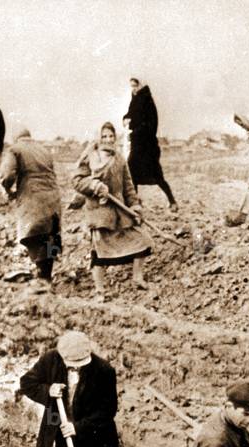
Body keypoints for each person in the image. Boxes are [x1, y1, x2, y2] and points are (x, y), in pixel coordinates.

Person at [18, 331, 122, 447]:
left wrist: (78, 427)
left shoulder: (104, 370)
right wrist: (48, 390)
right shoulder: (51, 360)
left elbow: (108, 410)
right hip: (60, 431)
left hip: (94, 437)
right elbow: (27, 383)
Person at [72, 122, 152, 298]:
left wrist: (135, 205)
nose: (108, 139)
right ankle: (100, 289)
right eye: (104, 136)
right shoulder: (89, 157)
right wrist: (94, 185)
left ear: (115, 138)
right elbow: (77, 181)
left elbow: (128, 186)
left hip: (120, 212)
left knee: (142, 240)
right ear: (99, 138)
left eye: (111, 136)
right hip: (99, 212)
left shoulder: (119, 159)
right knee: (99, 253)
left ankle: (137, 278)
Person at [0, 129, 62, 286]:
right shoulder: (44, 149)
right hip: (53, 198)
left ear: (15, 138)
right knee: (50, 236)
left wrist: (7, 190)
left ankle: (41, 276)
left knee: (32, 235)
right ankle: (46, 276)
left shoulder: (15, 150)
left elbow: (7, 175)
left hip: (33, 198)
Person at [123, 77, 177, 210]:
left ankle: (172, 202)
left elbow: (151, 125)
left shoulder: (147, 101)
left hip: (148, 147)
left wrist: (135, 132)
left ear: (141, 86)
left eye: (135, 86)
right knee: (131, 173)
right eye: (131, 87)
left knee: (157, 176)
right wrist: (125, 118)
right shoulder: (134, 100)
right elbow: (130, 114)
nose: (133, 89)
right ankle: (134, 203)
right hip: (137, 145)